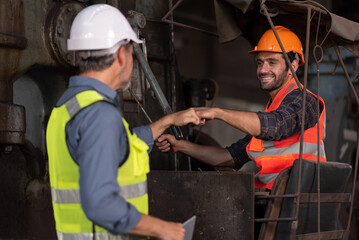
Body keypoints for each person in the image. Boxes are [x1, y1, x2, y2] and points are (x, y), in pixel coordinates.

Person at [46, 4, 203, 240]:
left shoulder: (67, 107)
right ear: (122, 55)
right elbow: (100, 204)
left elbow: (123, 146)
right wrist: (165, 229)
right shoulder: (100, 114)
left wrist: (169, 120)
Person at [157, 26, 327, 191]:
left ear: (293, 66)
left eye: (272, 62)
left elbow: (275, 126)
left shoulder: (306, 102)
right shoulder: (270, 114)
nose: (262, 70)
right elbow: (228, 157)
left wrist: (218, 113)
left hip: (300, 202)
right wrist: (181, 146)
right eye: (259, 63)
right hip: (273, 200)